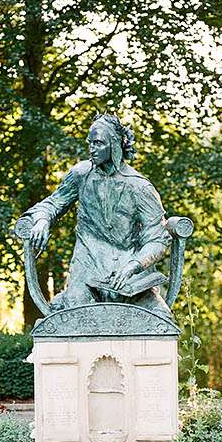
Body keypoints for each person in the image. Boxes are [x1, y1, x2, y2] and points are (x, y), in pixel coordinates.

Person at [23, 114, 173, 322]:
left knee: (160, 320)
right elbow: (53, 203)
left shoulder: (140, 187)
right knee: (76, 316)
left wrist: (134, 265)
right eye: (90, 143)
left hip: (127, 264)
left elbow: (157, 238)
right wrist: (42, 220)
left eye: (98, 143)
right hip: (88, 260)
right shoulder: (80, 174)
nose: (92, 149)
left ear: (115, 145)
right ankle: (67, 300)